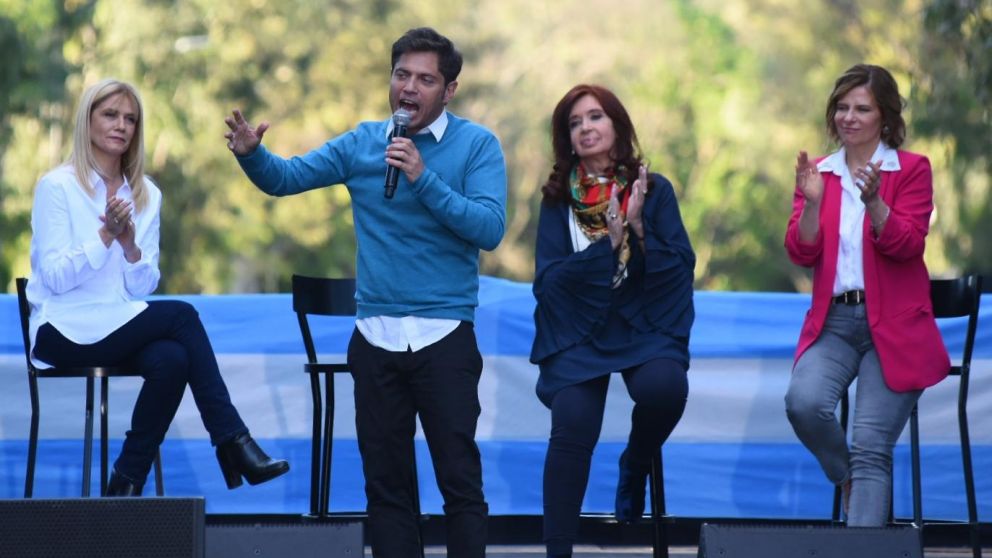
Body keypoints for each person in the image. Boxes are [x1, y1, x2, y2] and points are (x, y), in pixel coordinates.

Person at [224, 27, 506, 557]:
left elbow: (489, 229)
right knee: (386, 490)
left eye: (426, 79)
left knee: (460, 484)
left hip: (443, 336)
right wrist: (252, 156)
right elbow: (286, 178)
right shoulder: (362, 142)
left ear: (449, 91)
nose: (410, 87)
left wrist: (424, 178)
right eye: (402, 74)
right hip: (375, 339)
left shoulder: (477, 146)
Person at [26, 79, 289, 497]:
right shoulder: (57, 186)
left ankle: (126, 483)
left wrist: (129, 245)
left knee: (173, 356)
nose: (121, 126)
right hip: (64, 329)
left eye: (130, 118)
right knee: (182, 316)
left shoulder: (147, 194)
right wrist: (105, 237)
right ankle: (233, 440)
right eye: (110, 115)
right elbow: (53, 278)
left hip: (116, 322)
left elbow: (141, 288)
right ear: (87, 121)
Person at [530, 84, 694, 558]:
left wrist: (638, 229)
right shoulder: (558, 199)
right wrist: (608, 245)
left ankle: (637, 459)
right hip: (579, 330)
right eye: (575, 123)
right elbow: (549, 282)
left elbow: (679, 266)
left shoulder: (654, 189)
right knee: (572, 426)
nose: (585, 128)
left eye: (595, 117)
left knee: (664, 388)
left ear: (618, 127)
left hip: (642, 322)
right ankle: (558, 551)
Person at [784, 64, 950, 526]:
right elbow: (801, 251)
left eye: (862, 108)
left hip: (895, 326)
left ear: (885, 117)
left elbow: (908, 246)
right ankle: (845, 479)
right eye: (842, 107)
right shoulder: (818, 172)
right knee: (803, 404)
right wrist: (813, 203)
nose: (849, 117)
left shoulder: (911, 169)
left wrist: (876, 201)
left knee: (871, 447)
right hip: (835, 324)